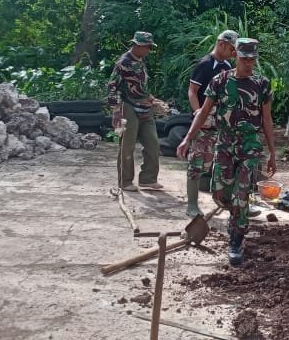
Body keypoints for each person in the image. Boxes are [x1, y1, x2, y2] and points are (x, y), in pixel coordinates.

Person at [177, 38, 276, 266]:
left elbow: (267, 119)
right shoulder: (219, 81)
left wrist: (272, 152)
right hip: (224, 144)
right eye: (245, 59)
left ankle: (236, 239)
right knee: (220, 194)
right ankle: (236, 216)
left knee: (242, 194)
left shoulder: (262, 84)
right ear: (235, 56)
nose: (249, 63)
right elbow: (203, 113)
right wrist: (187, 138)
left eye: (252, 59)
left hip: (250, 146)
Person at [183, 30, 239, 217]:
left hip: (221, 123)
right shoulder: (206, 64)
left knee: (224, 162)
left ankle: (227, 201)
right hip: (204, 122)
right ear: (221, 44)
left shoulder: (227, 65)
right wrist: (198, 113)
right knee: (197, 163)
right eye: (231, 48)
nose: (233, 53)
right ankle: (192, 205)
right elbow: (192, 90)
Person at [108, 31, 162, 191]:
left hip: (145, 107)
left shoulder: (141, 61)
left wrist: (152, 99)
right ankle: (125, 181)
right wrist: (116, 111)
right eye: (147, 47)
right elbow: (112, 86)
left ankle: (148, 178)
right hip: (128, 106)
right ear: (137, 45)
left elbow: (141, 86)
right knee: (127, 145)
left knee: (153, 143)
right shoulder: (123, 62)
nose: (149, 50)